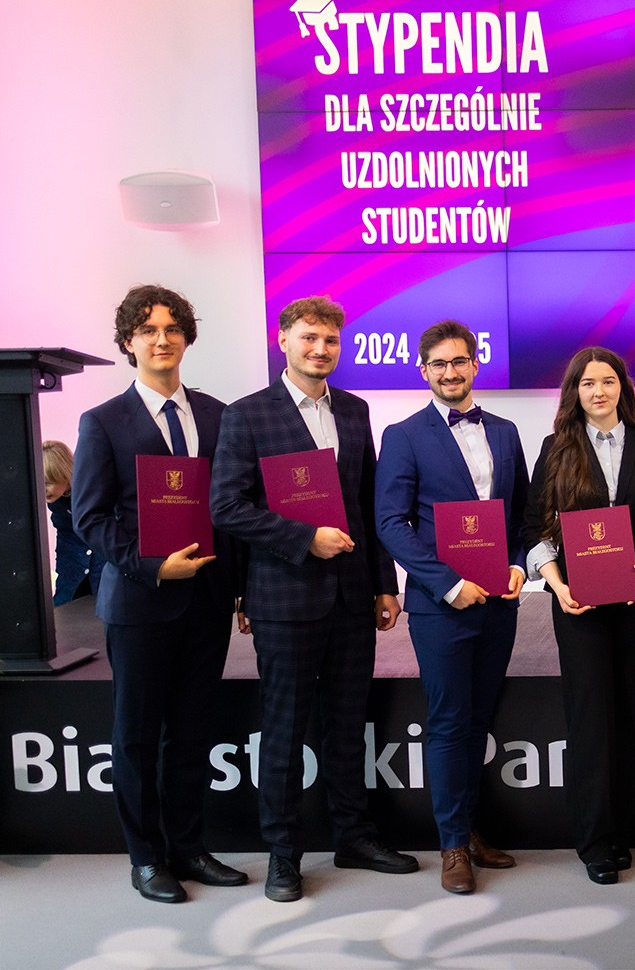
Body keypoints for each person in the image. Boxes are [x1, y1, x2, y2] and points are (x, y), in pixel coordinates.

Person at [211, 295, 416, 902]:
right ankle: (283, 853)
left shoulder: (354, 410)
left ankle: (354, 837)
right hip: (284, 599)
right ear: (283, 340)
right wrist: (304, 538)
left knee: (348, 726)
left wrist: (385, 583)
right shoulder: (246, 415)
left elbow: (368, 504)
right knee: (283, 731)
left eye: (330, 340)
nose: (320, 349)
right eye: (308, 337)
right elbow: (226, 507)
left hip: (352, 597)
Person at [71, 285, 245, 903]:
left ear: (187, 338)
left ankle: (189, 849)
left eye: (172, 329)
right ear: (129, 342)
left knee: (192, 733)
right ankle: (146, 859)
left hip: (209, 600)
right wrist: (152, 567)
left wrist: (241, 588)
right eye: (147, 330)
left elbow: (233, 508)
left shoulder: (221, 415)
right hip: (140, 602)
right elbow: (90, 518)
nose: (161, 339)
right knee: (138, 736)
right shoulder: (102, 422)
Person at [374, 321, 528, 895]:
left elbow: (521, 515)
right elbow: (391, 523)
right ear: (423, 370)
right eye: (438, 363)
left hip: (499, 603)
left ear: (475, 364)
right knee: (448, 722)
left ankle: (469, 829)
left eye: (459, 361)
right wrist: (448, 584)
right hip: (441, 607)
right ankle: (452, 846)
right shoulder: (404, 435)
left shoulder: (506, 432)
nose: (450, 372)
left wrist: (519, 565)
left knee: (479, 720)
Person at [521, 347, 635, 886]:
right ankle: (593, 839)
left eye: (608, 381)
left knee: (630, 710)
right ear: (575, 392)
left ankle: (620, 830)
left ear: (622, 388)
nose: (599, 391)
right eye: (588, 383)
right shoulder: (556, 448)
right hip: (578, 604)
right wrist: (556, 583)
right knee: (589, 717)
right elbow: (534, 526)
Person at [43, 440, 106, 605]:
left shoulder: (90, 493)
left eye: (48, 483)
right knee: (65, 602)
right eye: (39, 482)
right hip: (71, 559)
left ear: (64, 474)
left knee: (101, 603)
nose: (43, 489)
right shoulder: (55, 499)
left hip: (99, 557)